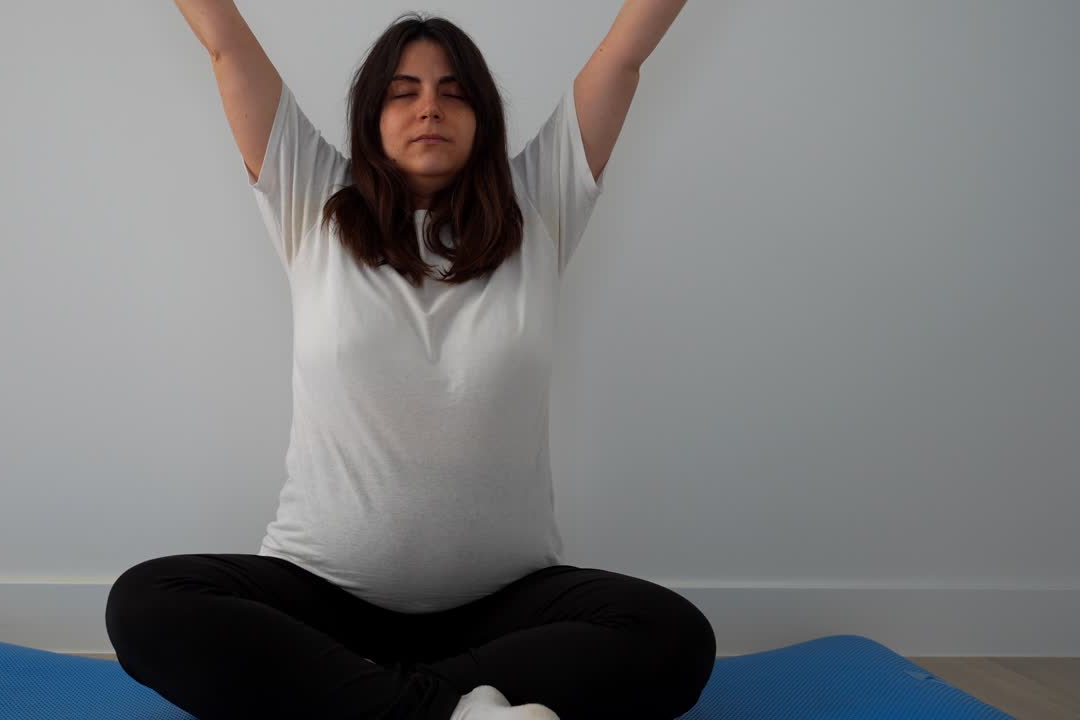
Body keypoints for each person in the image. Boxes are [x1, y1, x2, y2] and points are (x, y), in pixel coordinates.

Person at [107, 3, 712, 719]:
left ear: (483, 117)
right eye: (404, 91)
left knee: (675, 637)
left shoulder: (539, 207)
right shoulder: (315, 202)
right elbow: (226, 45)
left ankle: (373, 700)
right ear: (372, 118)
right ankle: (460, 708)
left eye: (454, 92)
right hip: (322, 602)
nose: (430, 107)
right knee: (146, 603)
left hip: (504, 611)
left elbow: (623, 56)